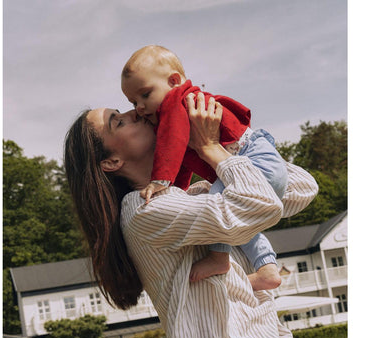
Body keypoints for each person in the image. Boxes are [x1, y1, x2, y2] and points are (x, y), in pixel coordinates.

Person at [64, 92, 318, 338]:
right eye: (118, 121)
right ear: (112, 161)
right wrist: (211, 148)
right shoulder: (144, 212)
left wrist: (234, 139)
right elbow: (259, 204)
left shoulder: (194, 194)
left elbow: (301, 188)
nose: (136, 112)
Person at [121, 45, 287, 290]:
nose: (139, 107)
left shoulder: (177, 102)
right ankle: (267, 267)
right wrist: (176, 191)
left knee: (217, 203)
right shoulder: (177, 110)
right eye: (133, 101)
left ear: (174, 81)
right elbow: (182, 160)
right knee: (236, 218)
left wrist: (159, 181)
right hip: (257, 164)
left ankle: (219, 259)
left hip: (254, 159)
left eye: (145, 95)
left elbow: (171, 144)